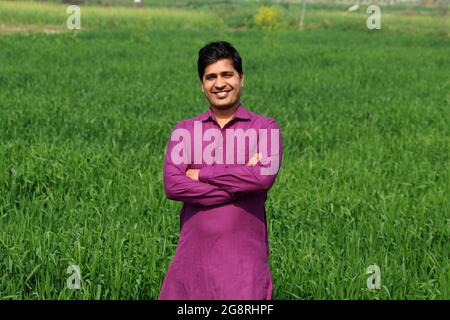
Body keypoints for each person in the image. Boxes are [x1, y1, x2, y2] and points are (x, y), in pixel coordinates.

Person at [158, 41, 283, 300]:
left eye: (227, 74)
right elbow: (173, 185)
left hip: (244, 267)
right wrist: (239, 184)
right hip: (192, 265)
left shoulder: (265, 128)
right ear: (202, 84)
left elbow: (263, 177)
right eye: (210, 77)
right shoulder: (186, 131)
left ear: (241, 78)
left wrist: (202, 173)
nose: (219, 83)